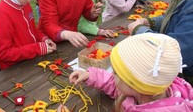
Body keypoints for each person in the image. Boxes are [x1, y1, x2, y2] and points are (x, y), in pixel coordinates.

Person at [64, 33, 193, 112]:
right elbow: (118, 86)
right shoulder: (150, 88)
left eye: (116, 73)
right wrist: (91, 75)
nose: (113, 75)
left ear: (136, 84)